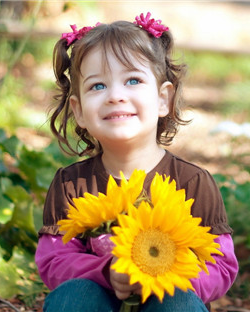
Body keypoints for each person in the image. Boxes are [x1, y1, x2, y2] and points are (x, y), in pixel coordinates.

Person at [35, 13, 238, 312]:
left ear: (162, 99)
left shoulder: (193, 183)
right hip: (97, 302)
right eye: (97, 86)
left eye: (133, 80)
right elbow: (54, 260)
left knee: (179, 302)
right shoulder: (71, 184)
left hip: (168, 297)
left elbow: (221, 266)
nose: (116, 96)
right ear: (78, 110)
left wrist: (165, 275)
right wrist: (107, 272)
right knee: (74, 296)